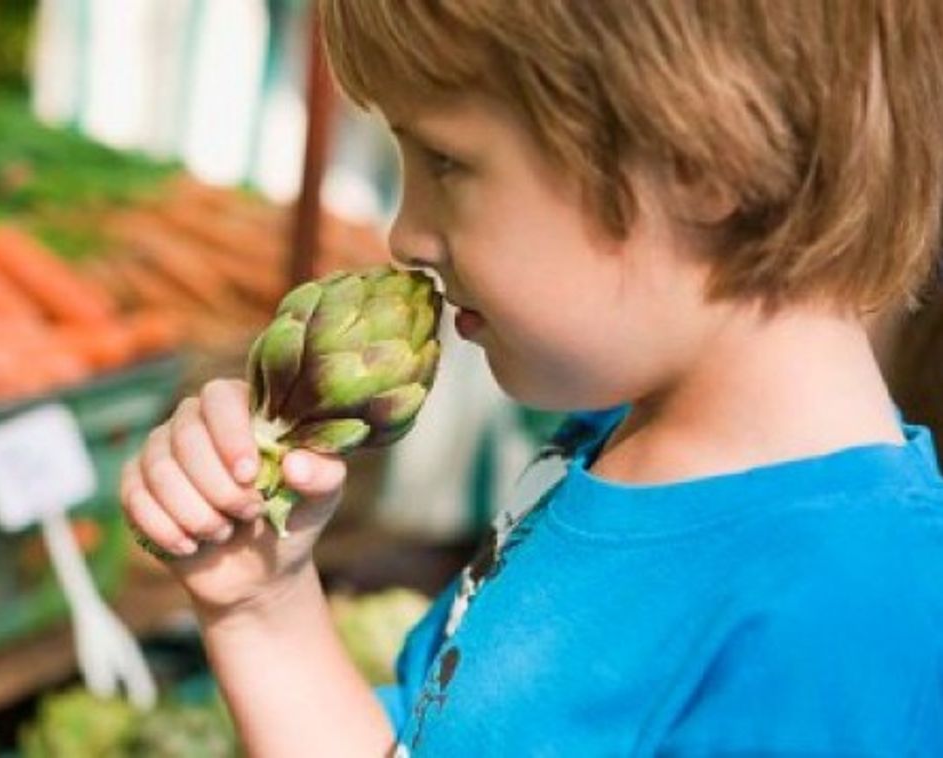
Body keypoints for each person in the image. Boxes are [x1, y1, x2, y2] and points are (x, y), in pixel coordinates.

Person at [119, 1, 943, 754]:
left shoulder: (852, 620)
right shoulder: (598, 450)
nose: (404, 236)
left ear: (701, 163)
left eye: (444, 161)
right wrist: (262, 608)